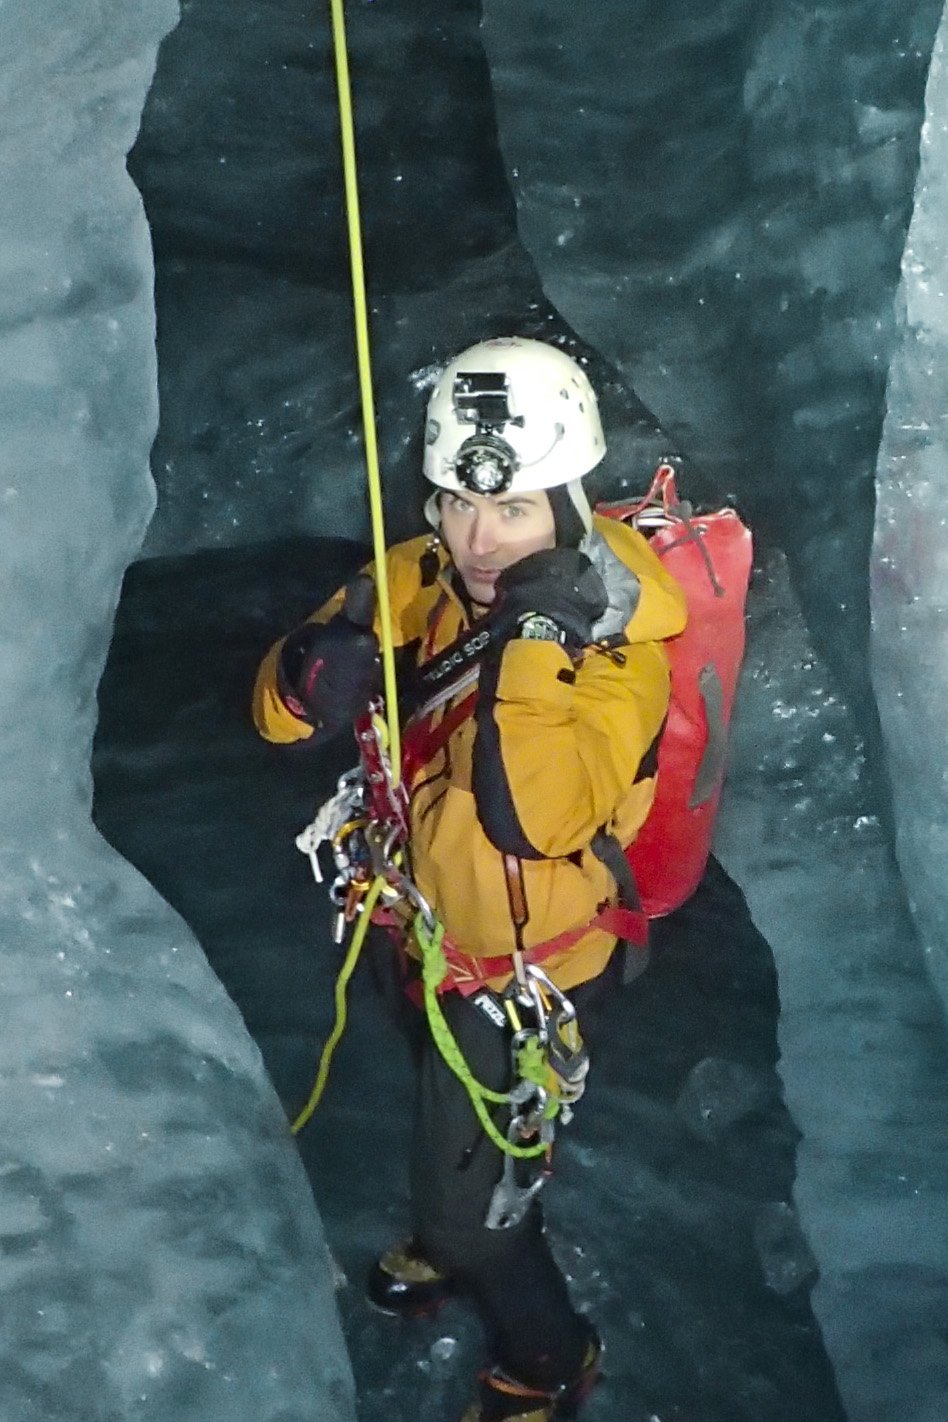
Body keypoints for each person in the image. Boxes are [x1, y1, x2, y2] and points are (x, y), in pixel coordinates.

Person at [253, 337, 688, 1421]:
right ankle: (458, 1213)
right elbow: (274, 714)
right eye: (453, 503)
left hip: (526, 975)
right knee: (434, 1087)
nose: (476, 538)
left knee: (474, 1217)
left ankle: (546, 1359)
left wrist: (535, 640)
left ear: (574, 504)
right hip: (428, 927)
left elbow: (533, 816)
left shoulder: (621, 652)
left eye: (513, 512)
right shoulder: (426, 573)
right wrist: (305, 676)